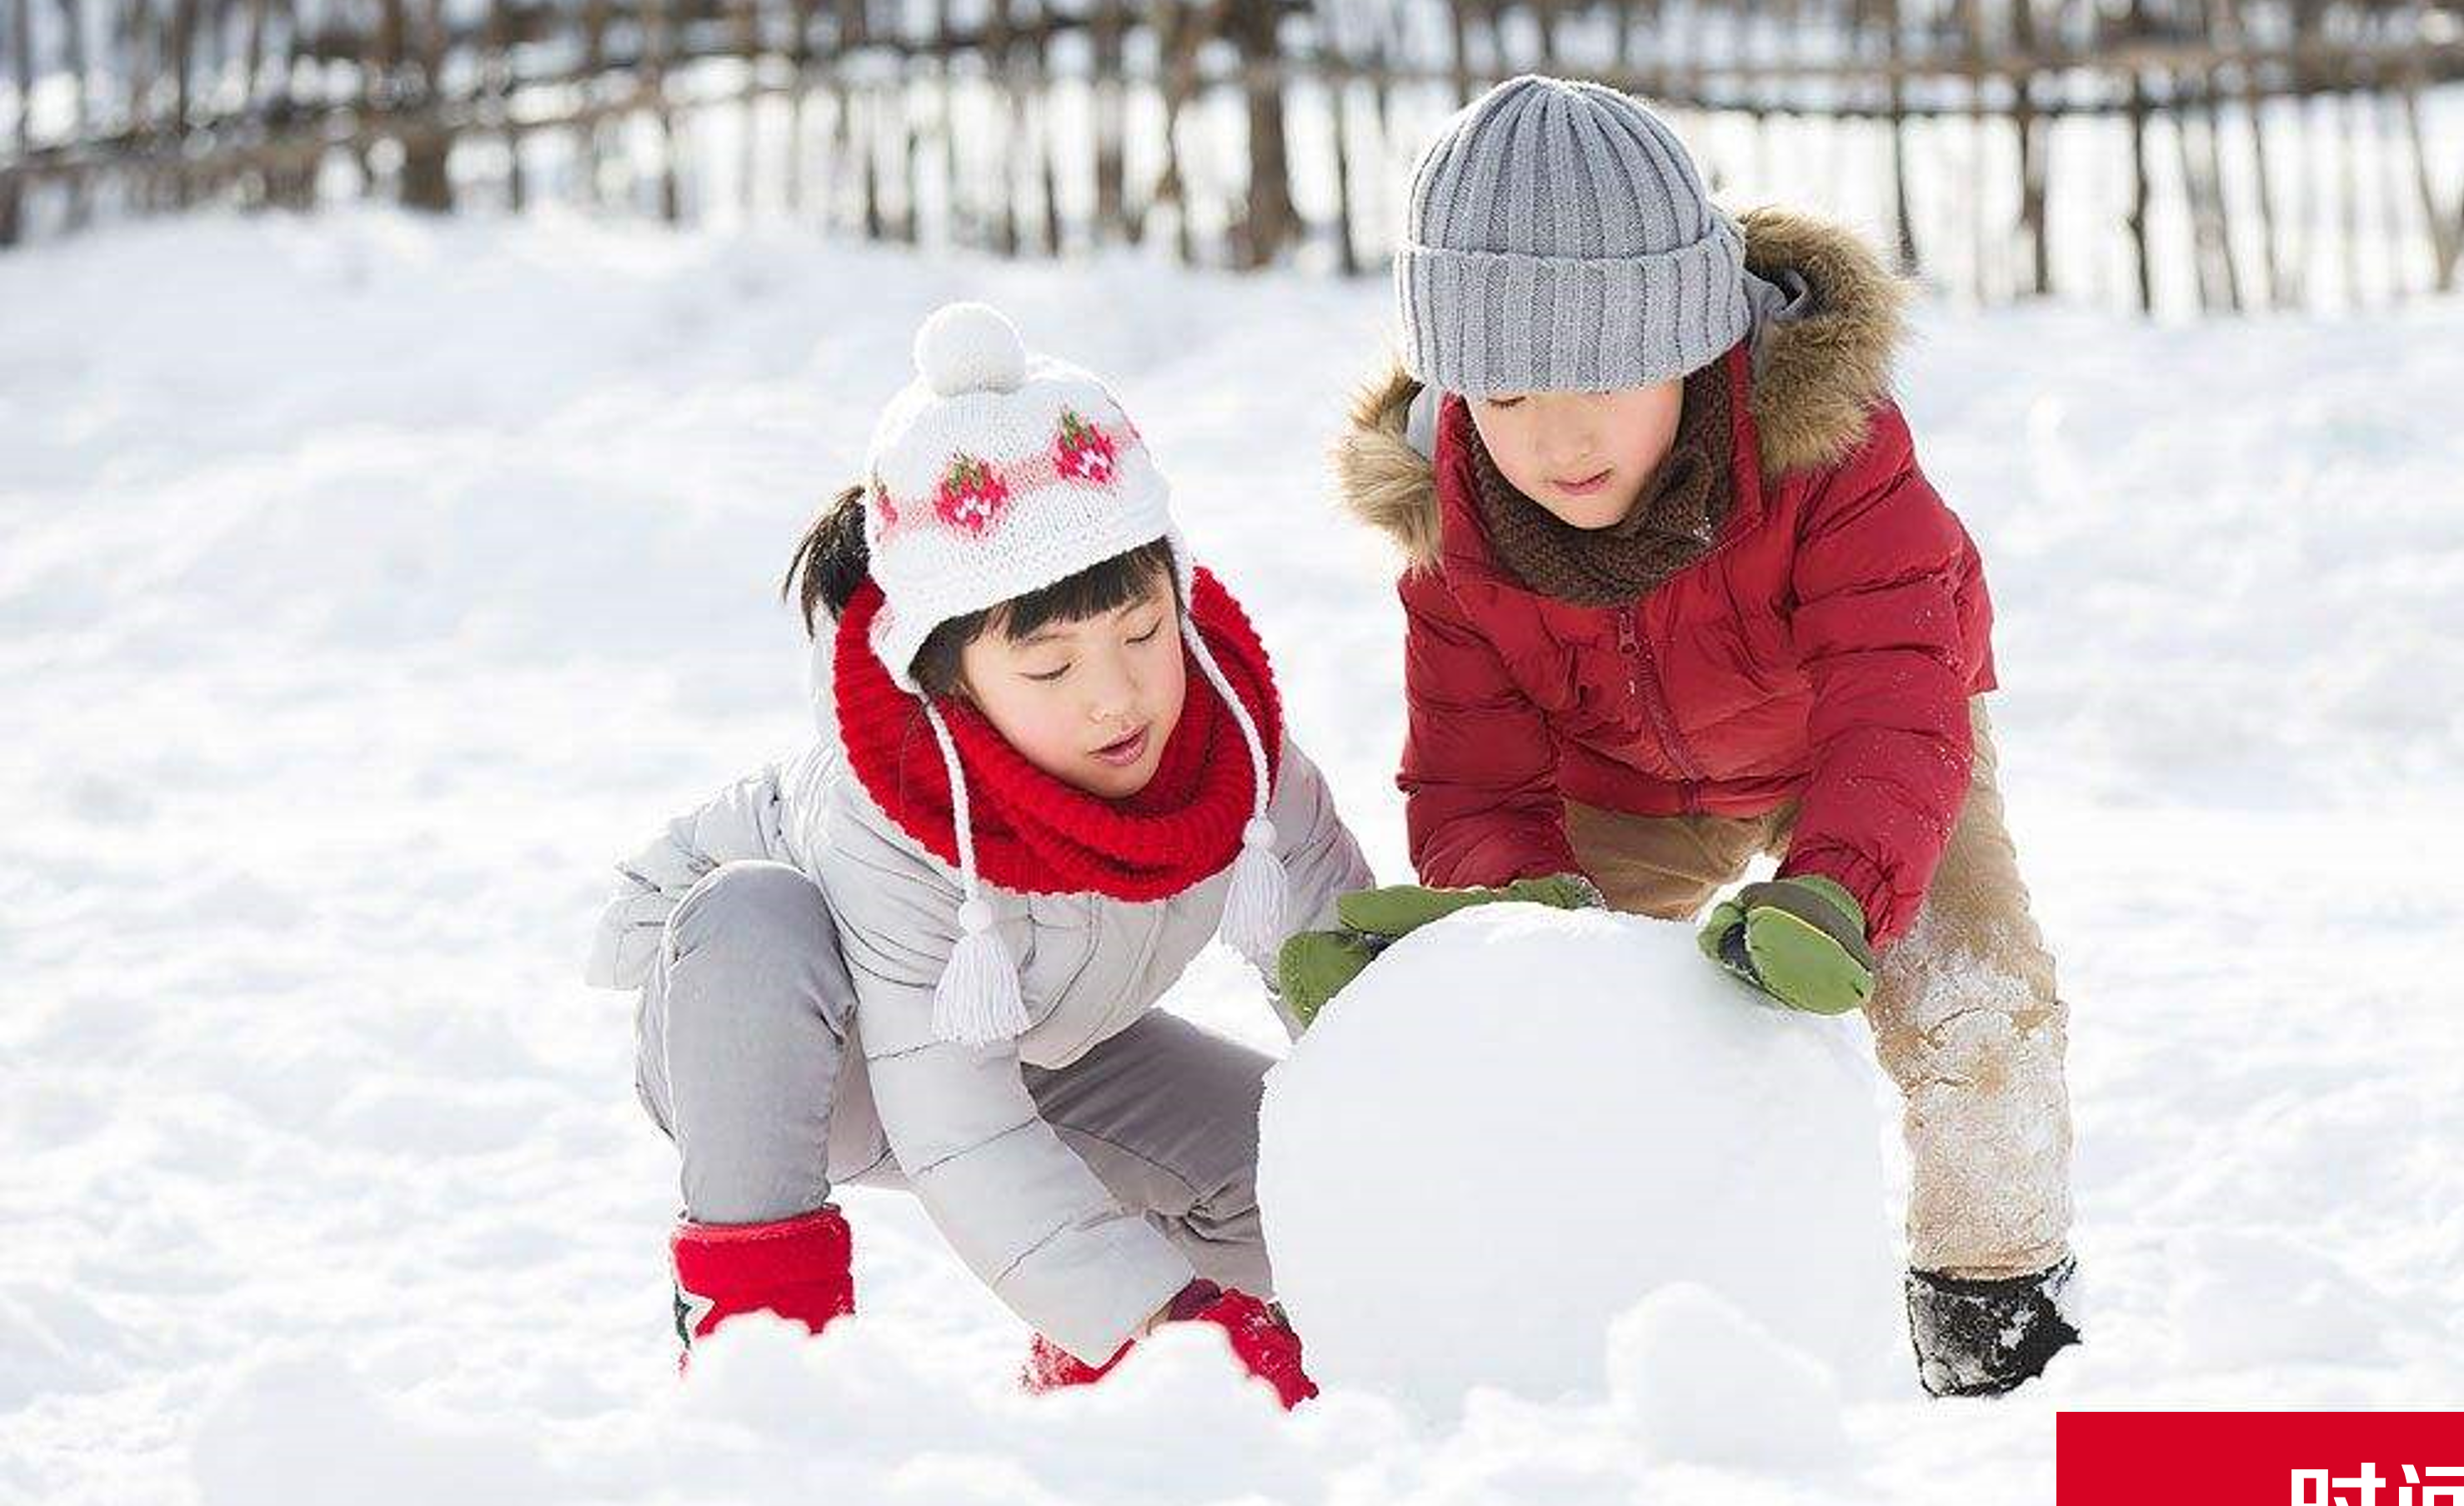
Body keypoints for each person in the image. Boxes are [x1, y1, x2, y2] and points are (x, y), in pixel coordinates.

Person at [1296, 74, 2079, 1397]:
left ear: (1695, 336)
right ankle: (1604, 1315)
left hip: (1866, 745)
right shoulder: (1457, 528)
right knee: (1557, 1022)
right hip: (1628, 787)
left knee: (1979, 1005)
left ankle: (1991, 1325)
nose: (1556, 435)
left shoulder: (1832, 453)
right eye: (1501, 391)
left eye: (1604, 373)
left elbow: (1896, 693)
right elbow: (1474, 769)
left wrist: (1840, 889)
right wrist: (1509, 923)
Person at [586, 301, 1369, 1405]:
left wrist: (1433, 1144)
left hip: (1044, 1034)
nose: (1113, 696)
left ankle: (1086, 1383)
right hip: (806, 1050)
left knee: (1295, 1177)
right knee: (754, 916)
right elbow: (964, 1132)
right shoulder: (890, 810)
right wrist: (1159, 1321)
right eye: (1049, 670)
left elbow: (1347, 986)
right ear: (949, 679)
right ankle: (760, 1355)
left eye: (1142, 633)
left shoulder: (1234, 749)